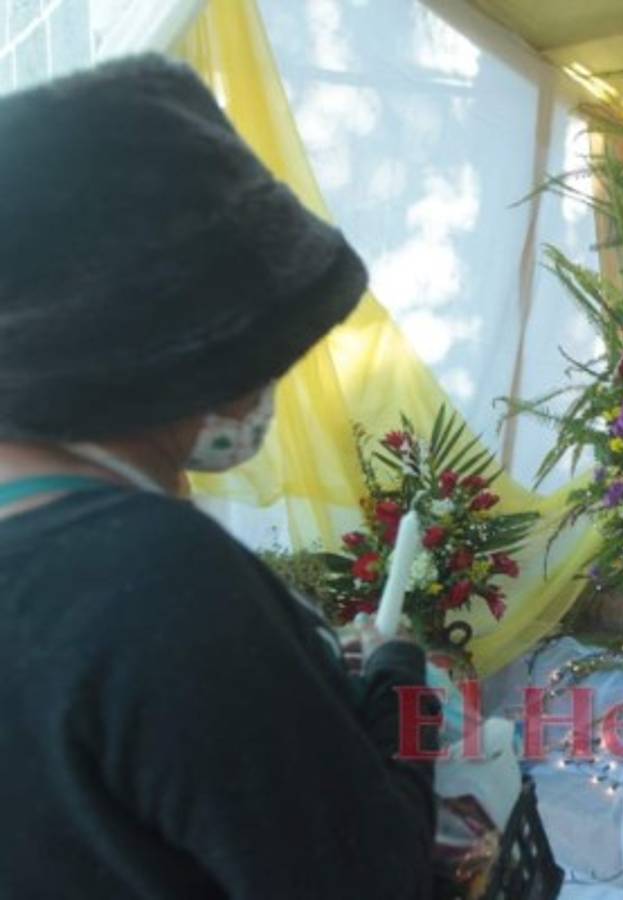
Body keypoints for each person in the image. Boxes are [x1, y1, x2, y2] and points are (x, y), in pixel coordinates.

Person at [0, 56, 434, 897]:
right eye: (268, 353)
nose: (267, 388)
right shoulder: (150, 578)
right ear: (188, 346)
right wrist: (403, 687)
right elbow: (384, 876)